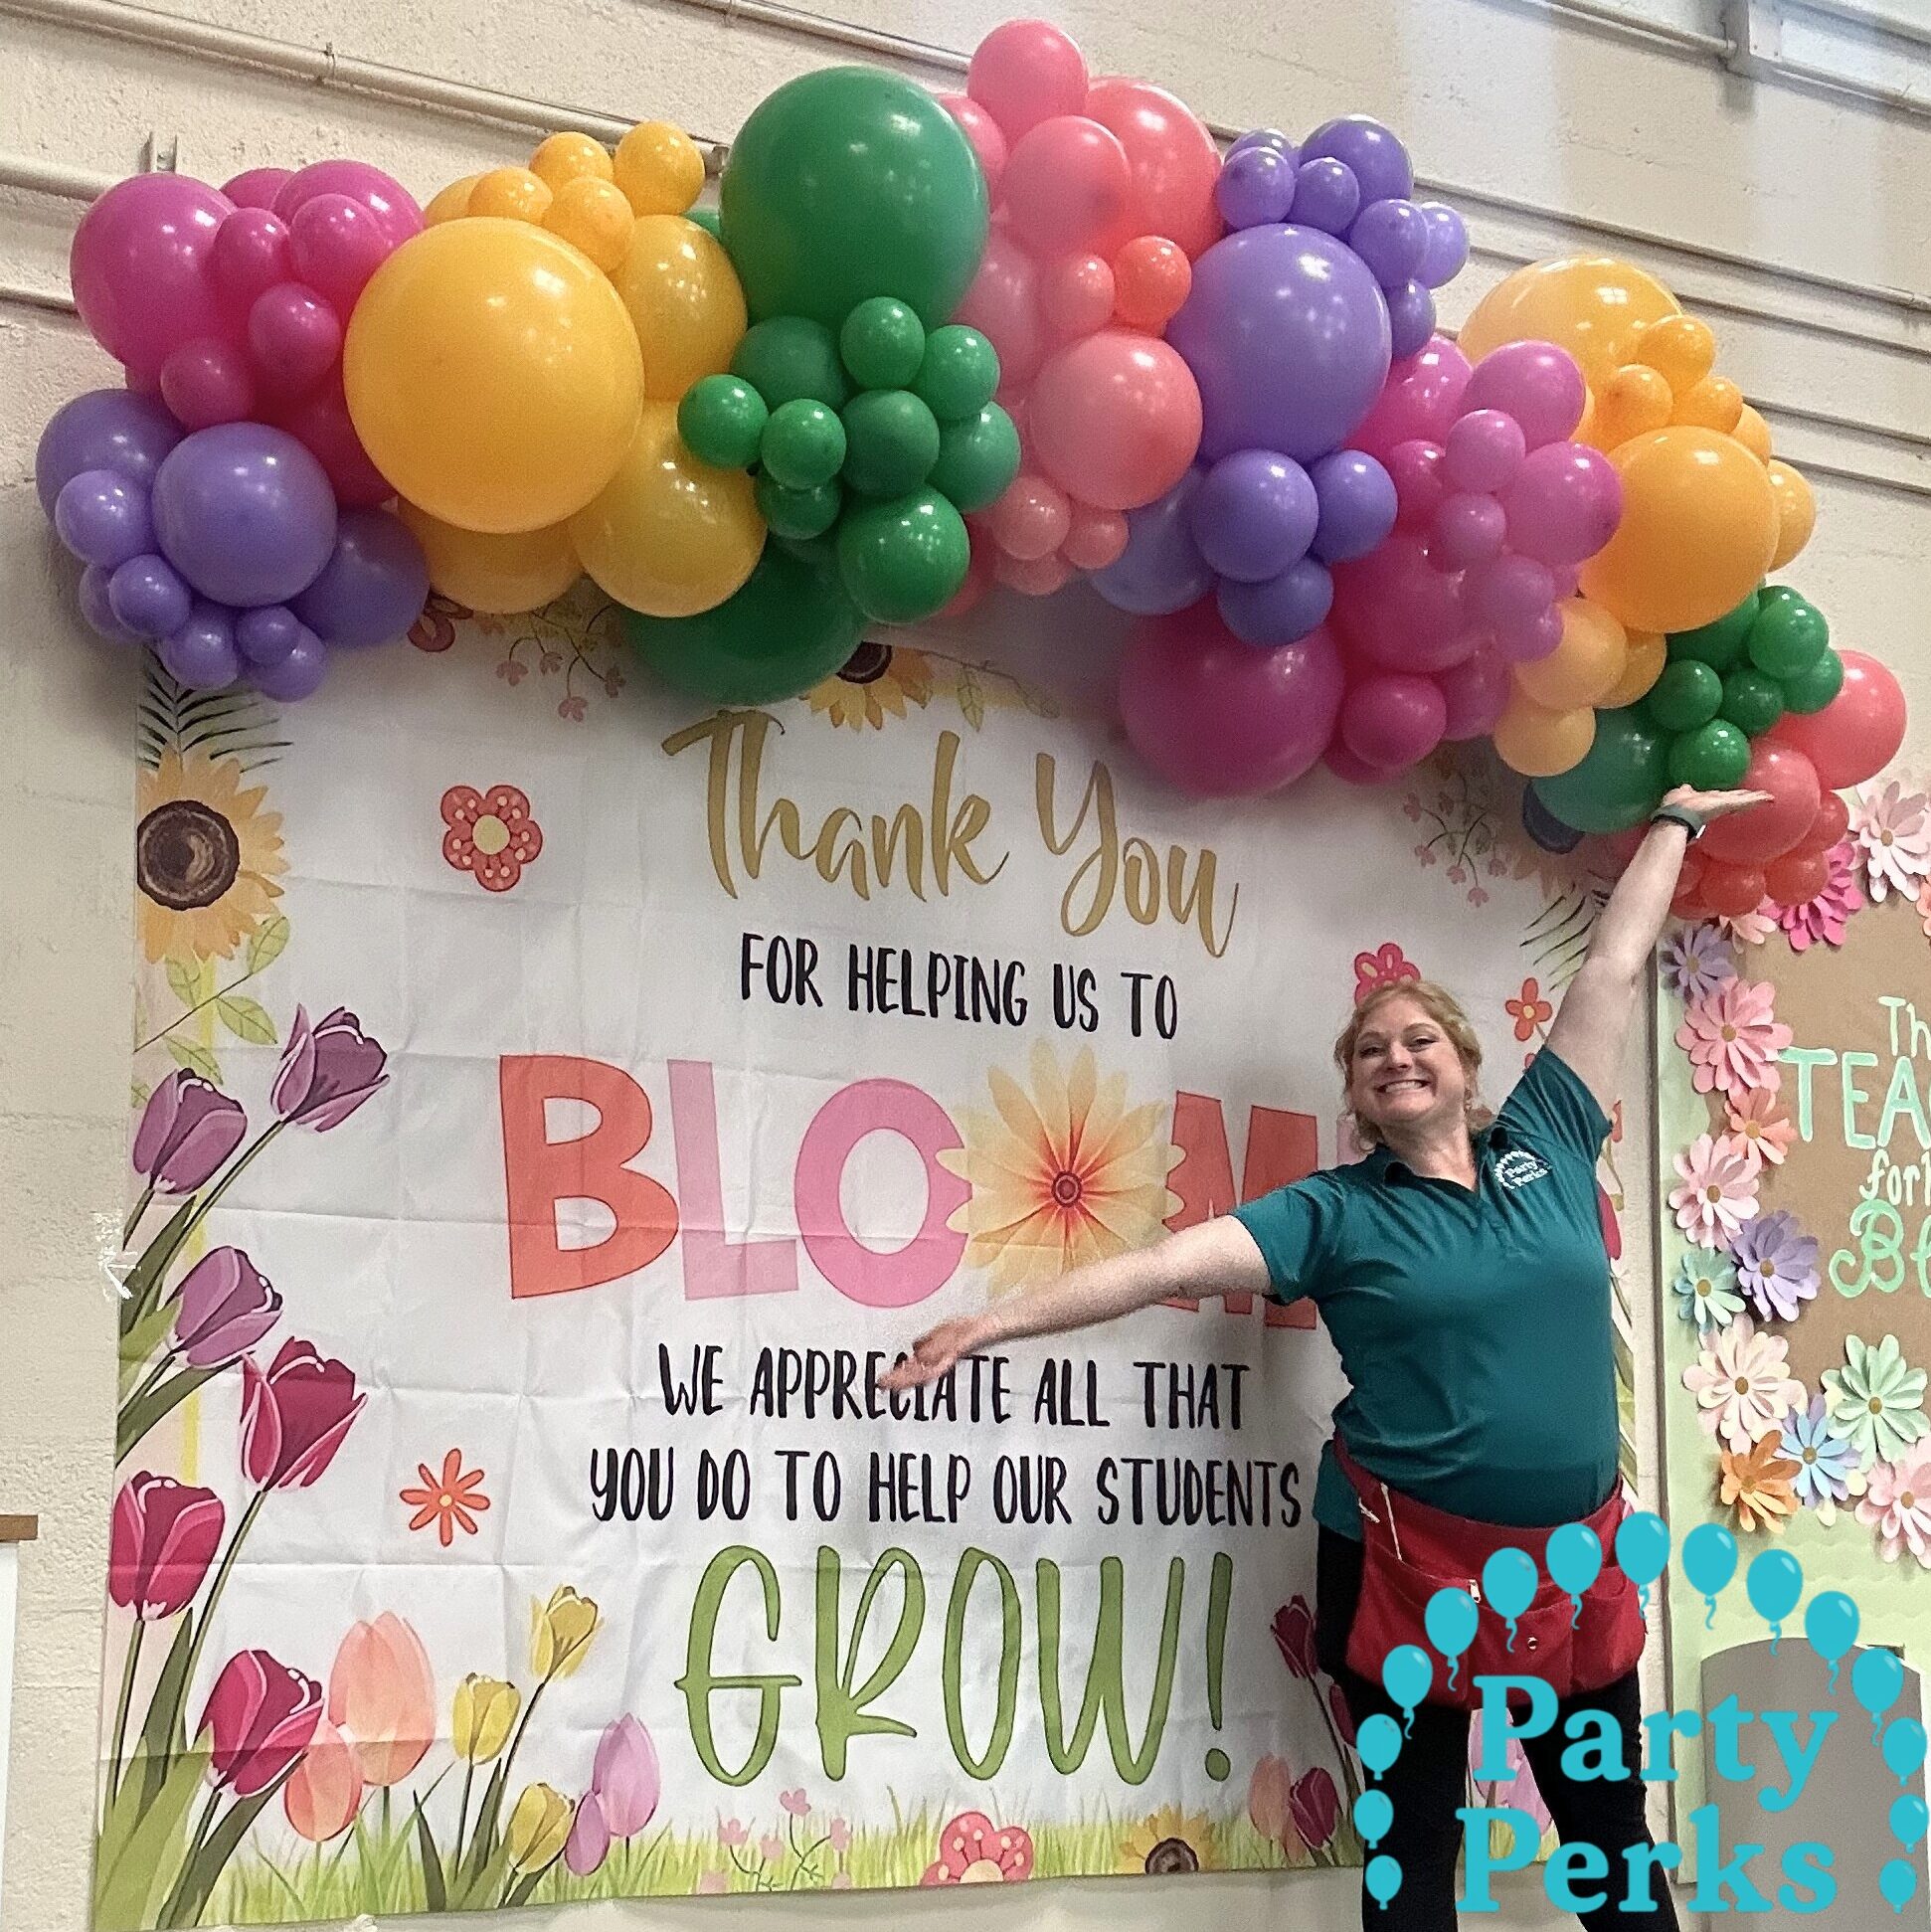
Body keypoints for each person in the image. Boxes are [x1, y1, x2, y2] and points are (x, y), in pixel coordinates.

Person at [885, 785, 1770, 1929]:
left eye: (1416, 1039)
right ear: (1355, 1095)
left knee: (1605, 1830)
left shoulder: (1547, 1132)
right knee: (1411, 1834)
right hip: (1401, 1562)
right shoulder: (1332, 1210)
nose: (1394, 1056)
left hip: (1575, 1556)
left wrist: (1674, 821)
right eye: (1367, 1052)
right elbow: (1158, 1264)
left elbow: (1607, 968)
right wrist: (984, 1325)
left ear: (1463, 1058)